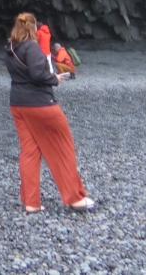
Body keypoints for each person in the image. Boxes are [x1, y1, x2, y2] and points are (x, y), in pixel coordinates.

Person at [5, 12, 95, 213]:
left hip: (17, 103)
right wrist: (54, 78)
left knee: (29, 150)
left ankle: (31, 203)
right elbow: (39, 74)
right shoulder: (32, 47)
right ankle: (75, 198)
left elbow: (26, 73)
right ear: (33, 28)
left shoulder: (11, 48)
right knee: (63, 146)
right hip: (40, 103)